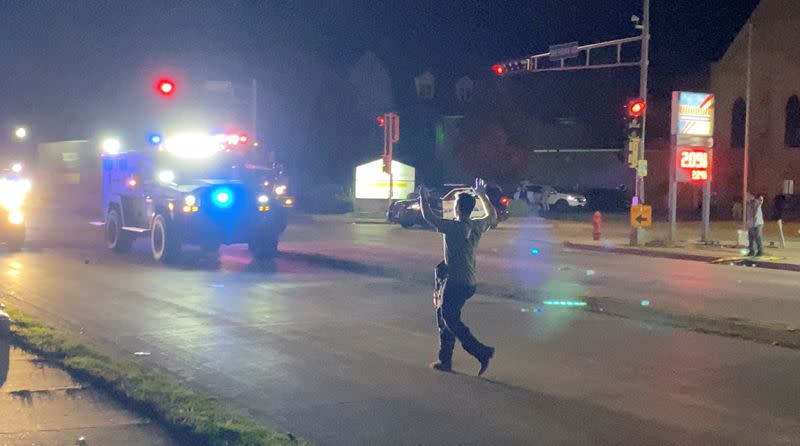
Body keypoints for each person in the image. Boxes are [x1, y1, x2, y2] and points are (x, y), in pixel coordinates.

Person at [419, 178, 496, 375]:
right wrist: (482, 194)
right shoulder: (477, 225)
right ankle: (445, 360)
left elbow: (429, 216)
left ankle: (480, 351)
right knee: (446, 318)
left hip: (455, 281)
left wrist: (423, 197)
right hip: (469, 282)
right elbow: (492, 215)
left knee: (448, 317)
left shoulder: (452, 227)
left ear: (458, 208)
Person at [745, 192, 765, 257]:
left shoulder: (755, 202)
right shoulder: (748, 204)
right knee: (751, 238)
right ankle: (752, 251)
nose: (746, 198)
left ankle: (760, 251)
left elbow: (759, 203)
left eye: (748, 196)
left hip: (758, 223)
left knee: (758, 237)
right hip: (751, 223)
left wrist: (759, 199)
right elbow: (748, 214)